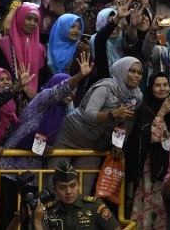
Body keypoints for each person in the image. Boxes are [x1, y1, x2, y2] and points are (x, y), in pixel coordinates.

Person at [0, 52, 93, 230]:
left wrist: (46, 148)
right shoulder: (43, 99)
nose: (71, 93)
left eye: (75, 90)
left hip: (32, 171)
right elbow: (60, 89)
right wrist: (80, 75)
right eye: (69, 88)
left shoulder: (62, 113)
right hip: (10, 167)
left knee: (28, 218)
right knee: (7, 218)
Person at [48, 56, 143, 196]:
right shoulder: (106, 87)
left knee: (83, 191)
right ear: (122, 71)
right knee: (55, 184)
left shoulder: (137, 96)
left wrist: (117, 145)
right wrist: (112, 114)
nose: (136, 76)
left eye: (139, 72)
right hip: (71, 135)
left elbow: (127, 122)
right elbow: (89, 115)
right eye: (132, 71)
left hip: (94, 143)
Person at [126, 71, 170, 229]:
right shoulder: (144, 108)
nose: (162, 88)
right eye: (157, 85)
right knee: (152, 208)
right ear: (150, 88)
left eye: (165, 85)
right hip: (151, 167)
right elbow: (152, 136)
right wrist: (161, 113)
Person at [39, 161, 122, 230]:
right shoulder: (48, 211)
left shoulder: (95, 207)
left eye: (72, 186)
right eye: (63, 187)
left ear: (79, 185)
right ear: (55, 190)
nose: (68, 192)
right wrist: (36, 220)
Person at [0, 3, 46, 99]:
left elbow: (42, 78)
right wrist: (20, 87)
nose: (32, 23)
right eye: (28, 18)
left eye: (36, 20)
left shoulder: (40, 49)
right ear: (19, 18)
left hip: (31, 100)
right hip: (7, 98)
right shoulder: (4, 44)